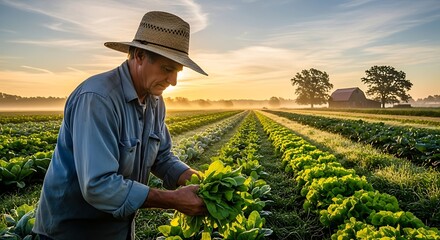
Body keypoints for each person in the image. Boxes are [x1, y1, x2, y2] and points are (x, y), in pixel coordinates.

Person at [33, 11, 208, 240]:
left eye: (177, 71)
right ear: (139, 56)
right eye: (167, 69)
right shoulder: (97, 98)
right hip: (72, 232)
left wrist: (203, 183)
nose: (173, 81)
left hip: (118, 230)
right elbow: (98, 185)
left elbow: (161, 158)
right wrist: (172, 199)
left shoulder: (155, 100)